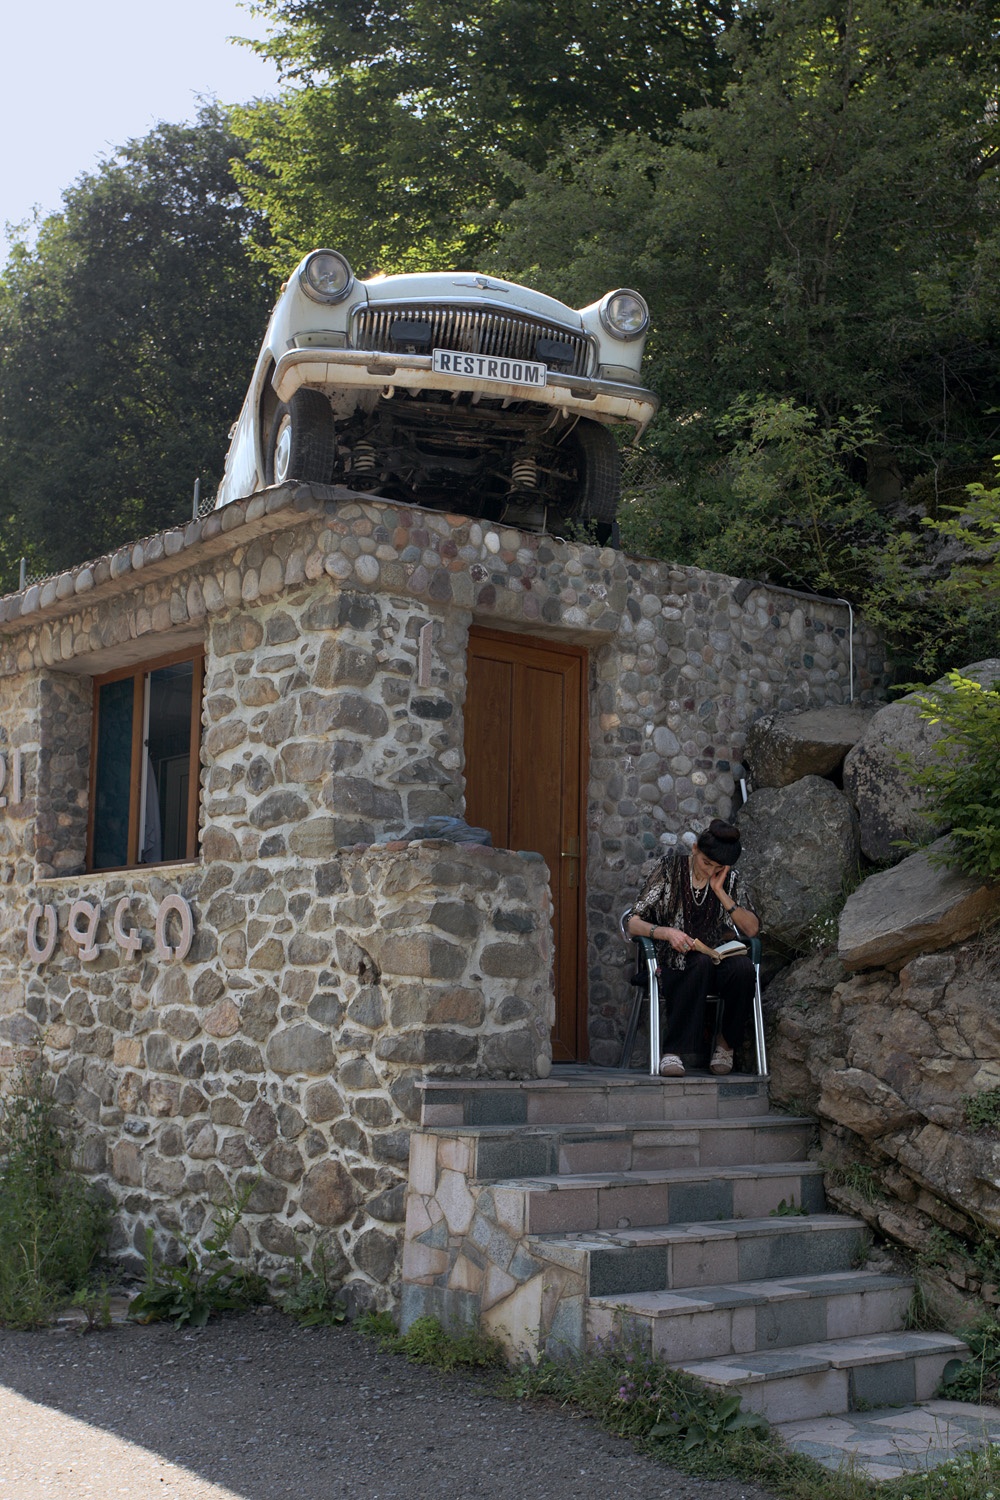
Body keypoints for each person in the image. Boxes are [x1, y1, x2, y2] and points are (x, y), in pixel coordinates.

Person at [627, 819, 760, 1077]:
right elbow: (633, 921)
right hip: (674, 961)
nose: (710, 871)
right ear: (695, 849)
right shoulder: (669, 870)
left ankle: (725, 1044)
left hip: (715, 960)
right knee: (697, 961)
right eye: (706, 863)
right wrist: (666, 932)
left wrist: (720, 892)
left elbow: (752, 929)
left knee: (744, 969)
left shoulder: (729, 880)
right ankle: (673, 1051)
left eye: (718, 867)